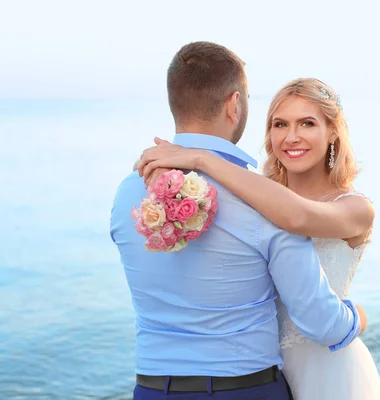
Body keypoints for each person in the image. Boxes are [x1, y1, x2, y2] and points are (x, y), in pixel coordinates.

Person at [110, 42, 365, 400]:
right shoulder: (265, 201)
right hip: (245, 389)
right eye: (281, 124)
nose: (291, 135)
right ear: (235, 105)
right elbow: (322, 322)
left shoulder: (128, 192)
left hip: (152, 389)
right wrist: (359, 318)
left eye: (306, 123)